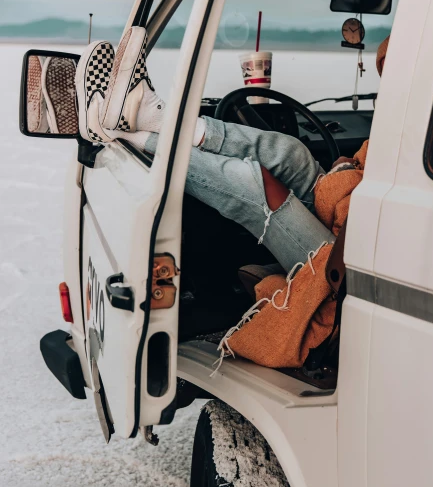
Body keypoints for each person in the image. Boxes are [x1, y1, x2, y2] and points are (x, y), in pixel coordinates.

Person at [76, 29, 390, 368]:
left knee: (260, 188)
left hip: (356, 259)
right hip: (356, 216)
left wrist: (350, 177)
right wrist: (349, 169)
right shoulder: (415, 114)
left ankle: (133, 137)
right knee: (290, 154)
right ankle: (151, 122)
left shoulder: (425, 117)